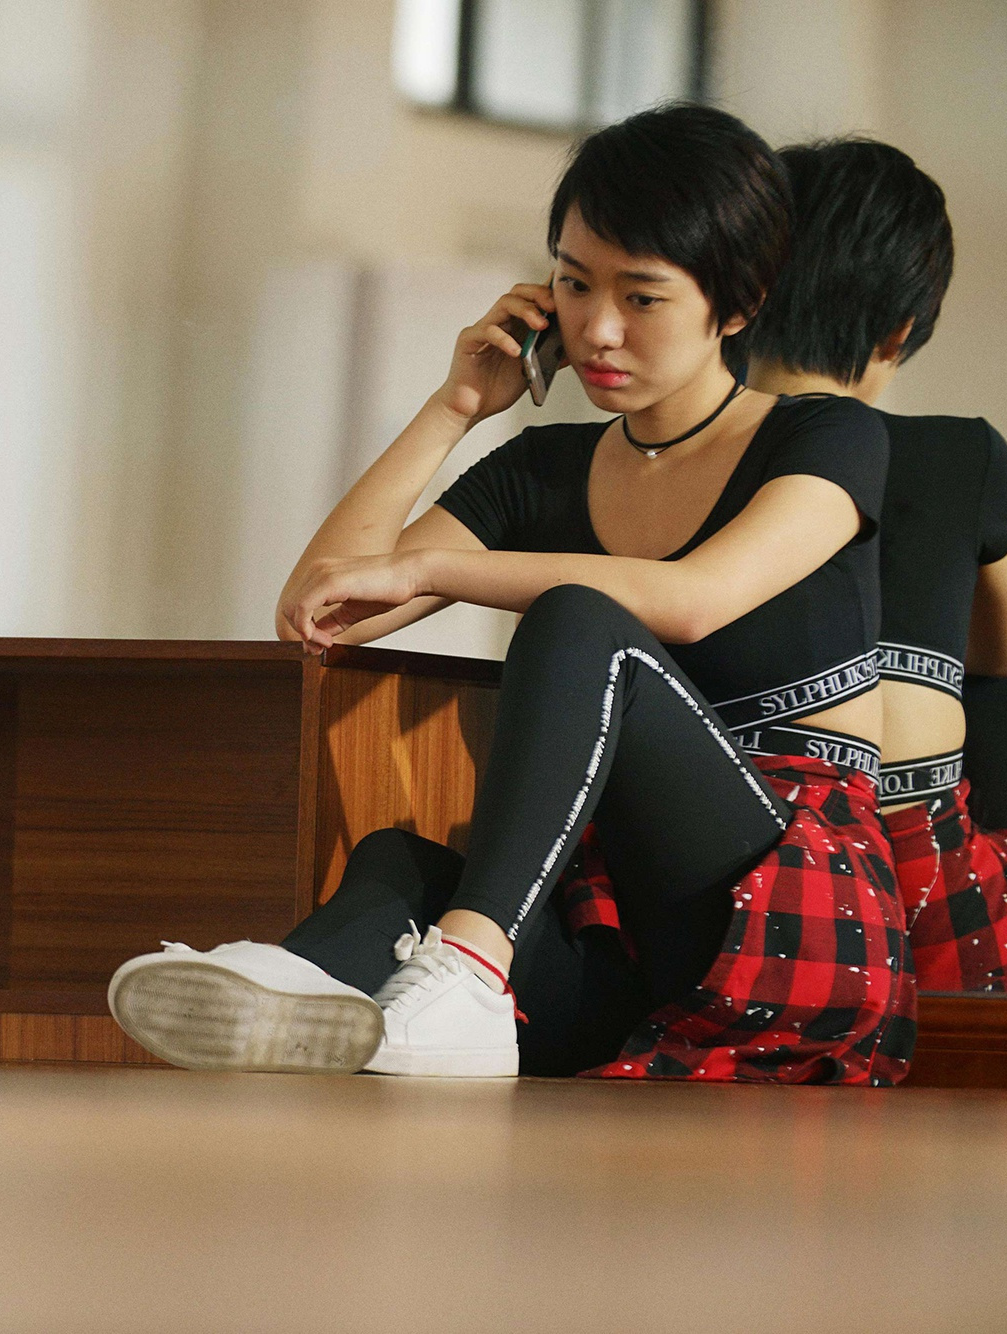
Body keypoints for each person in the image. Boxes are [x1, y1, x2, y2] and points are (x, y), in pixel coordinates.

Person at [108, 104, 915, 1083]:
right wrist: (454, 406)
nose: (597, 328)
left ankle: (468, 973)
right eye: (573, 283)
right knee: (396, 863)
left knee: (582, 621)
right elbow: (321, 610)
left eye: (641, 296)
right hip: (621, 937)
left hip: (796, 925)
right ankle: (302, 980)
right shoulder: (542, 469)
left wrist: (429, 568)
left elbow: (693, 599)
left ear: (738, 304)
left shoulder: (825, 438)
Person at [741, 138, 1007, 993]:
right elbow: (1004, 657)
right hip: (917, 887)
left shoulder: (677, 453)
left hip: (741, 857)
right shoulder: (963, 454)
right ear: (900, 331)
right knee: (1004, 684)